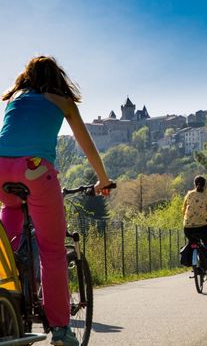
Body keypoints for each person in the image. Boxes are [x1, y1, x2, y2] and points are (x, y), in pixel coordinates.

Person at [0, 56, 113, 346]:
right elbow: (86, 145)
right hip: (35, 171)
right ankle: (61, 331)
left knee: (7, 245)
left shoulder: (16, 97)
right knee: (52, 251)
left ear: (27, 77)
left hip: (1, 170)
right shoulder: (62, 101)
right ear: (58, 77)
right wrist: (102, 179)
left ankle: (9, 302)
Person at [182, 175, 207, 280]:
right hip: (205, 227)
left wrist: (187, 220)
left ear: (194, 184)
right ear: (205, 185)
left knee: (192, 243)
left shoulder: (189, 195)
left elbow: (183, 209)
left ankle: (193, 264)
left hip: (188, 228)